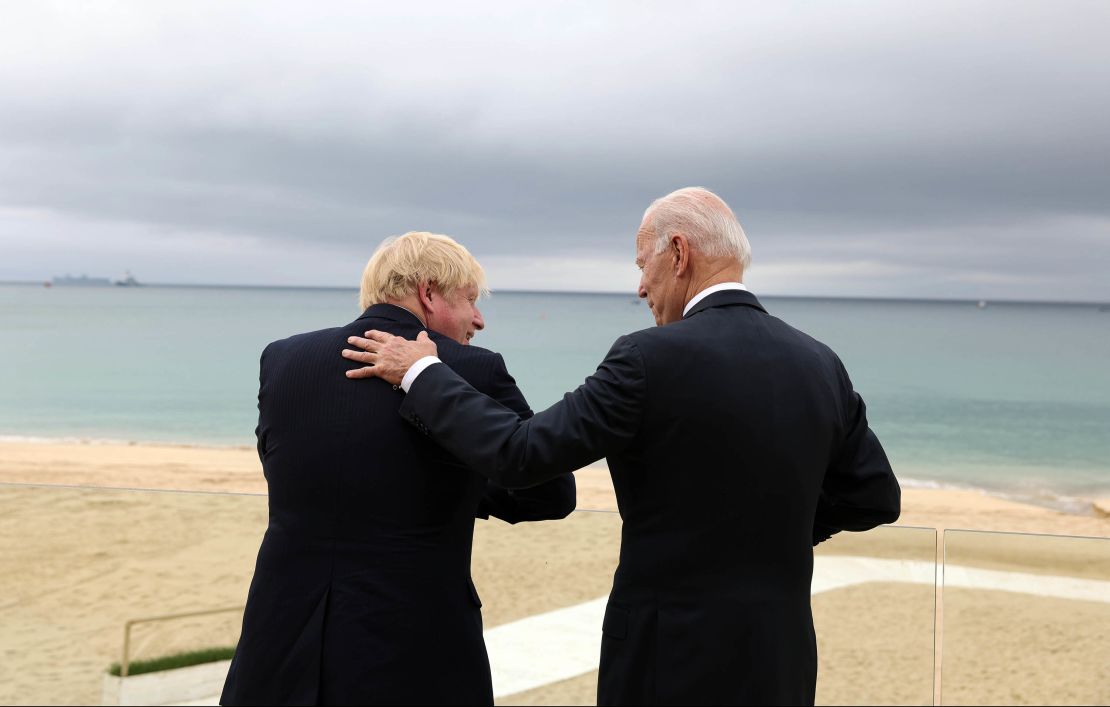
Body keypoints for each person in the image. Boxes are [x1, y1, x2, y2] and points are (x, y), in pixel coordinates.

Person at [342, 188, 901, 706]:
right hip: (781, 657)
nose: (640, 287)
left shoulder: (647, 359)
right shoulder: (819, 362)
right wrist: (769, 529)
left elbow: (521, 455)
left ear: (678, 253)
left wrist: (424, 373)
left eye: (642, 265)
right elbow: (874, 497)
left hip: (665, 658)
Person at [221, 231, 576, 706]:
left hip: (281, 641)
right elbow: (550, 492)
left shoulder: (284, 358)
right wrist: (464, 477)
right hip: (412, 649)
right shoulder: (473, 370)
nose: (479, 319)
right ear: (428, 293)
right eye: (470, 299)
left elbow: (284, 464)